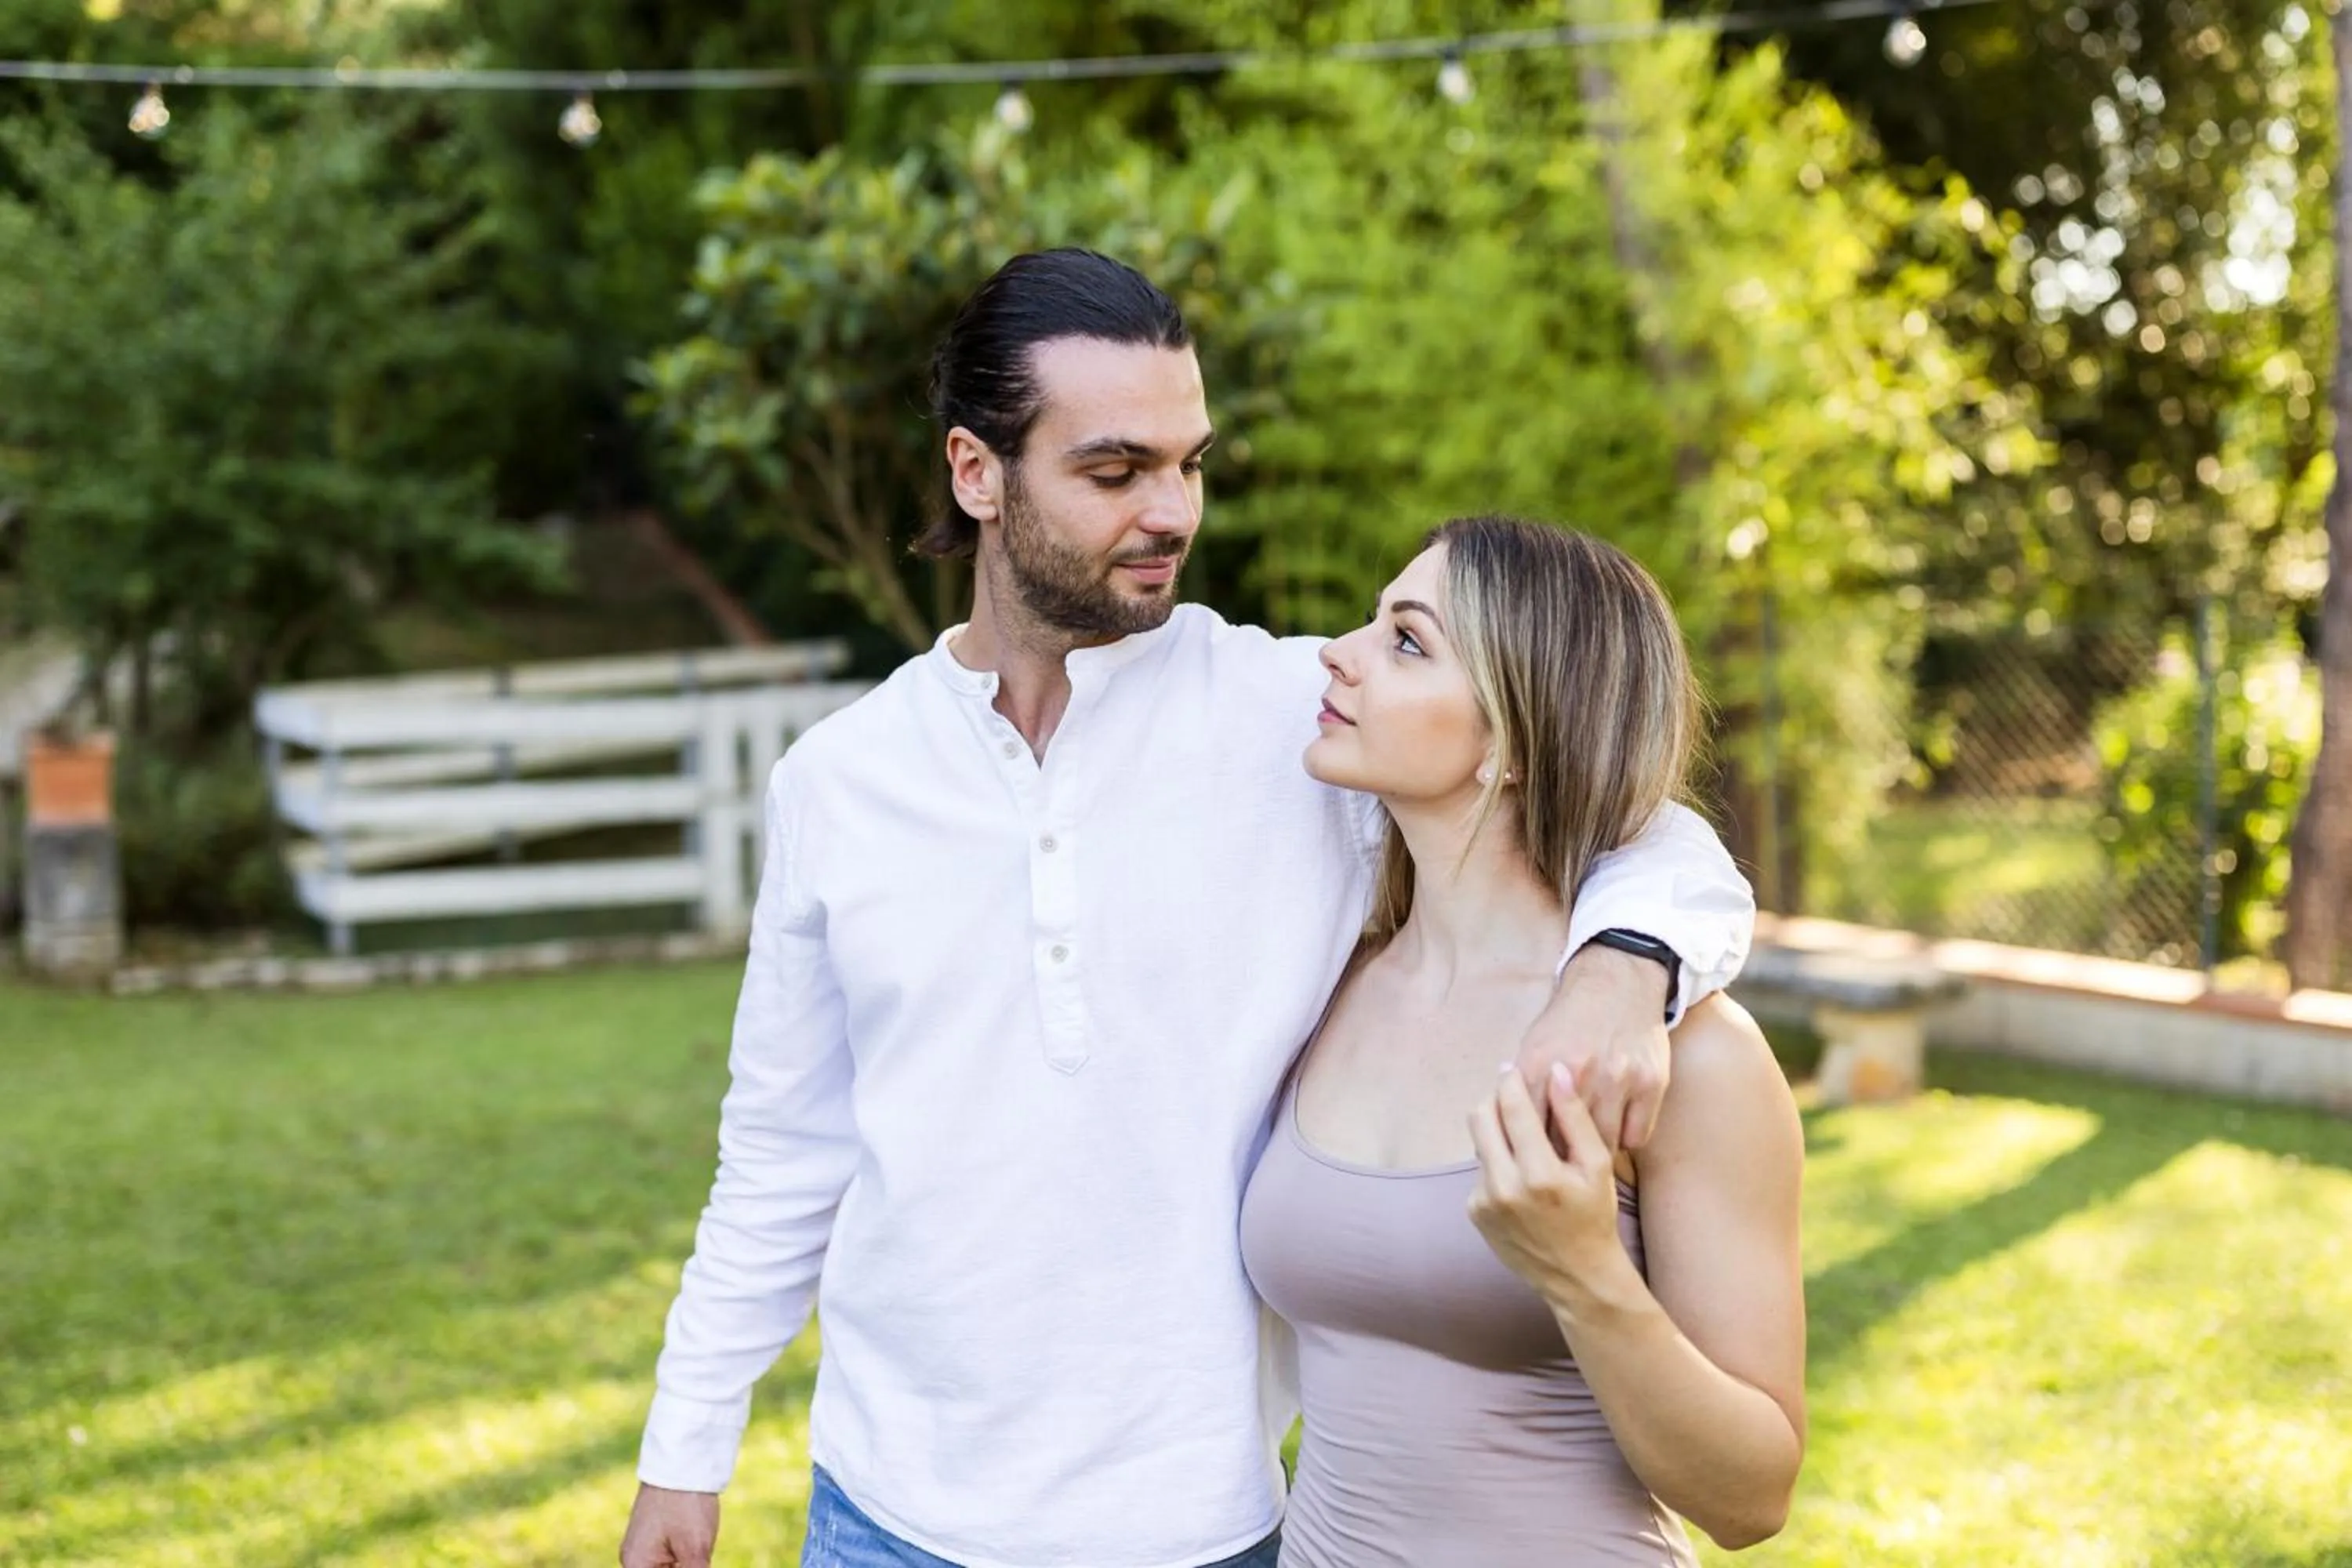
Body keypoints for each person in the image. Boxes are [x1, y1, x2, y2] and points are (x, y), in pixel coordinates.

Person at [617, 250, 1758, 1568]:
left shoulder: (1292, 723)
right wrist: (684, 1452)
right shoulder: (839, 784)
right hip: (887, 1512)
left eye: (1190, 463)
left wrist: (1623, 967)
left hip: (1203, 1525)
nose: (1173, 511)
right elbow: (780, 1149)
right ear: (977, 473)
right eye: (1115, 472)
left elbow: (1634, 820)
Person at [1242, 516, 1806, 1566]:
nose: (1338, 653)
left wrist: (1586, 1273)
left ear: (1508, 739)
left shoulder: (1689, 1059)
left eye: (1405, 641)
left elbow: (1753, 1496)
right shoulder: (1323, 988)